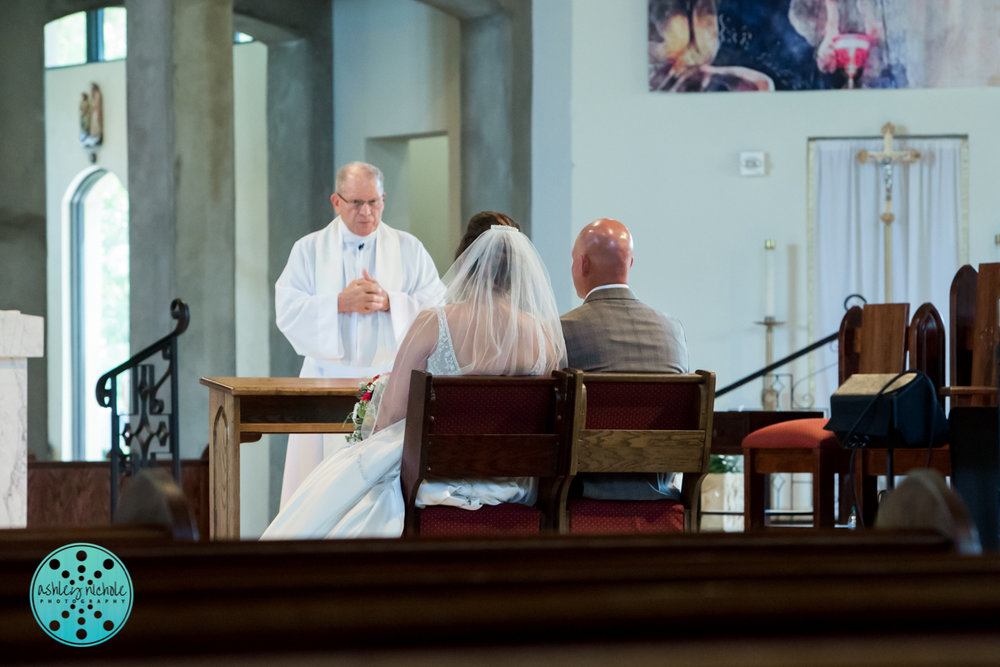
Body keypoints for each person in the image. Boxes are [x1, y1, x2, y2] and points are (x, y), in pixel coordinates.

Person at [262, 217, 566, 539]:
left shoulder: (433, 323)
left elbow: (391, 413)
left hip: (433, 478)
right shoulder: (543, 338)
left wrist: (369, 434)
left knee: (335, 487)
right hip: (510, 481)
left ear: (464, 261)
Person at [274, 162, 445, 508]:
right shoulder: (308, 249)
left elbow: (439, 309)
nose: (367, 212)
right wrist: (338, 303)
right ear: (336, 202)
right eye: (356, 203)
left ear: (383, 199)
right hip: (325, 380)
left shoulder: (409, 249)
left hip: (387, 385)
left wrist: (391, 303)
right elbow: (287, 310)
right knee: (315, 494)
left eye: (375, 202)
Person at [560, 218, 690, 501]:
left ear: (582, 264)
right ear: (630, 264)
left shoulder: (563, 330)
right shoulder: (673, 330)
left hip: (585, 493)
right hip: (660, 493)